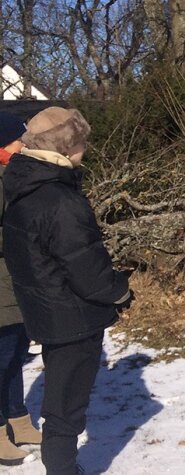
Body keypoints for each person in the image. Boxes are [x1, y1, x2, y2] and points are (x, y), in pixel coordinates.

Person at [2, 107, 132, 474]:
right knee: (66, 409)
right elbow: (86, 267)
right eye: (81, 141)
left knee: (62, 402)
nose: (86, 149)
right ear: (65, 145)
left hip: (45, 310)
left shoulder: (23, 188)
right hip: (72, 315)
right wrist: (119, 290)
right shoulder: (59, 199)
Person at [0, 111, 42, 466]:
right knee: (1, 359)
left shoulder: (14, 176)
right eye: (19, 140)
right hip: (1, 284)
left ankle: (19, 421)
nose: (25, 145)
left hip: (16, 281)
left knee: (15, 355)